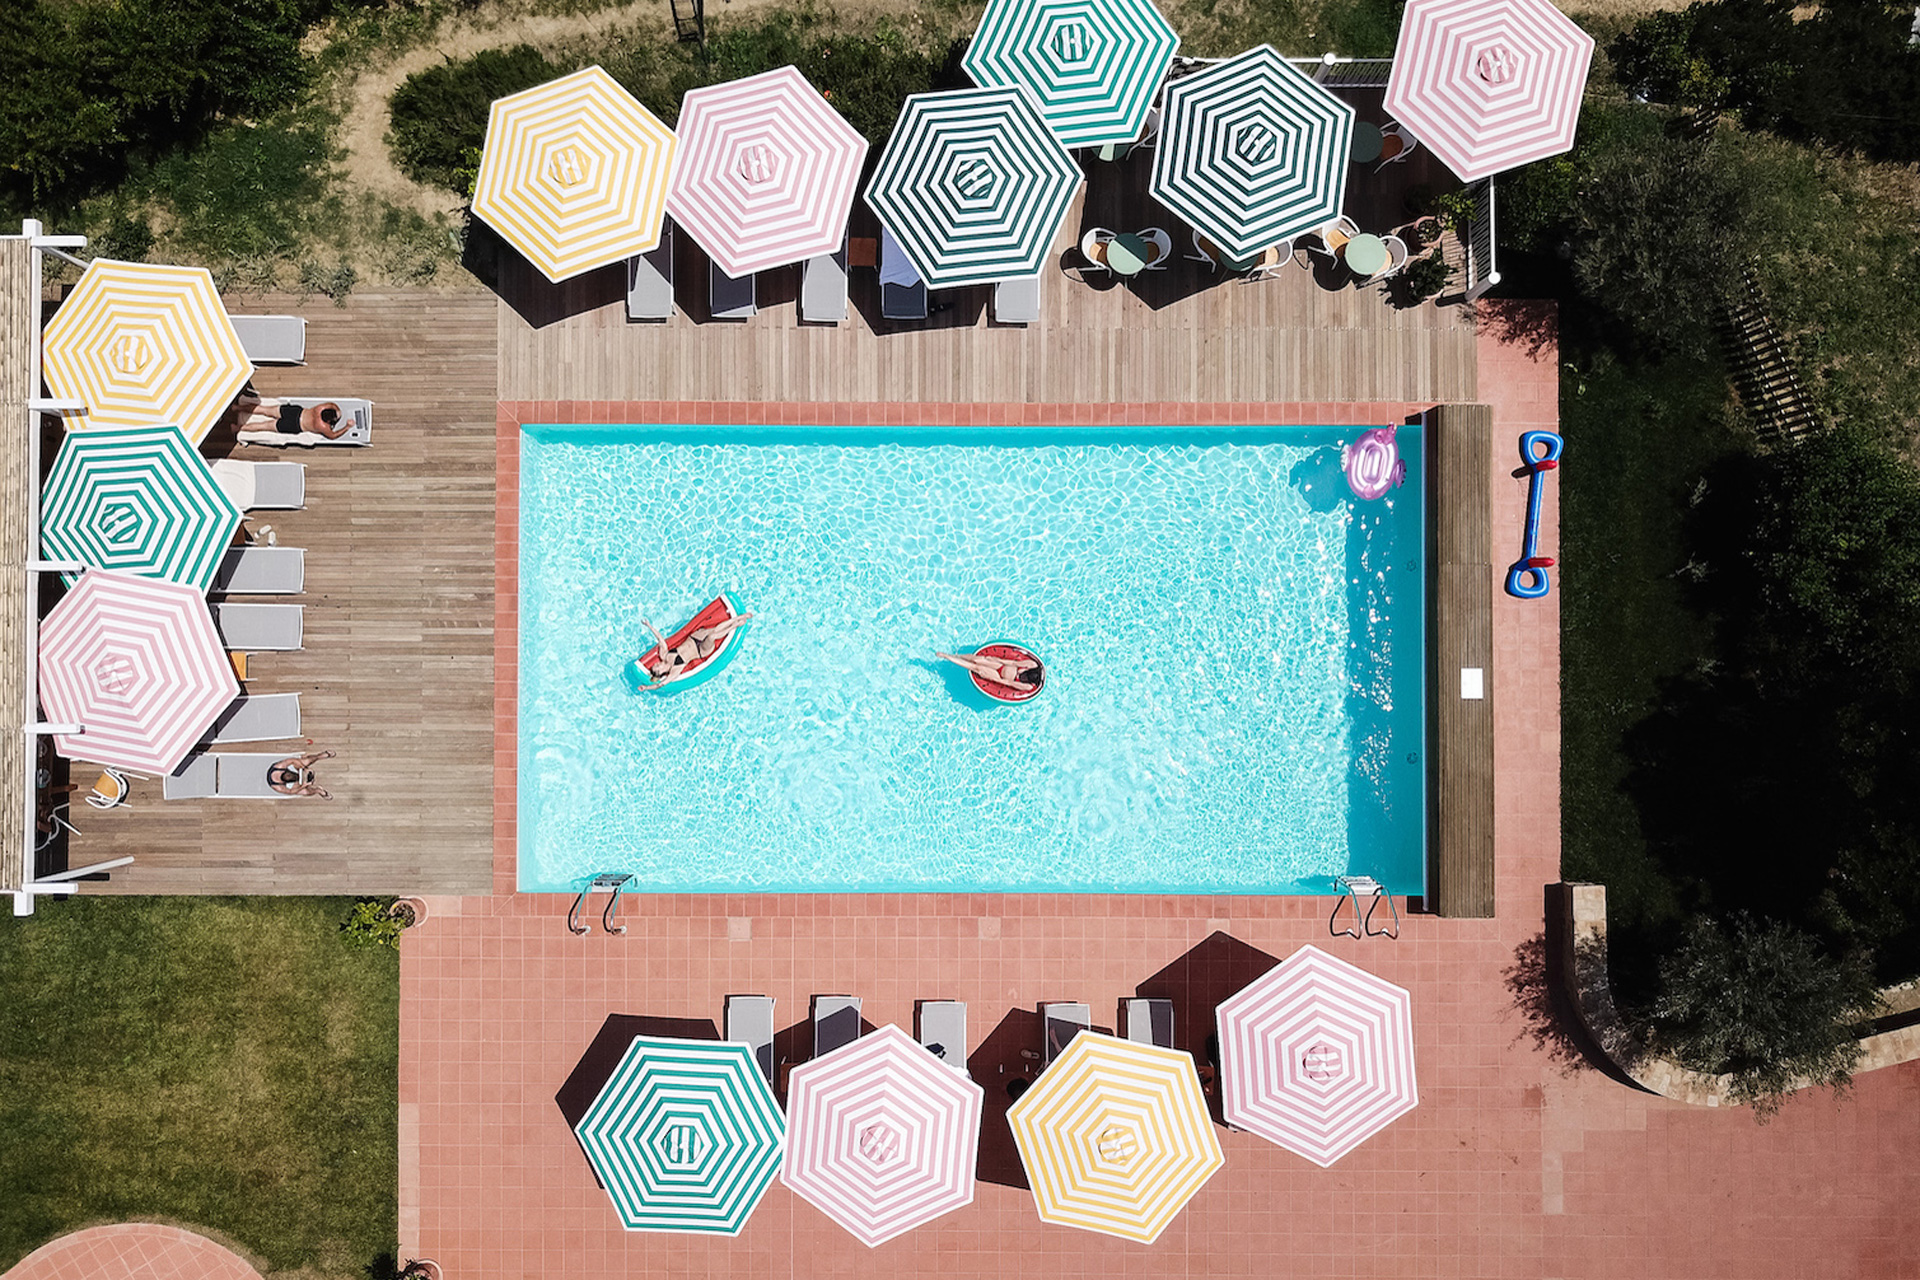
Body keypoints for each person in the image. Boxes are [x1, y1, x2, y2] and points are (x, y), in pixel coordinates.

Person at [634, 611, 755, 690]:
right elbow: (661, 684)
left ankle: (737, 619)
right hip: (701, 650)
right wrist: (646, 687)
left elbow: (660, 639)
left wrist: (649, 626)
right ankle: (736, 624)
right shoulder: (674, 671)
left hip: (694, 637)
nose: (657, 664)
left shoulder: (664, 655)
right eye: (657, 667)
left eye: (656, 665)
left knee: (713, 630)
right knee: (712, 636)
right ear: (661, 673)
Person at [236, 393, 350, 439]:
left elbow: (332, 404)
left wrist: (337, 410)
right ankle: (237, 428)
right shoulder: (323, 426)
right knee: (264, 426)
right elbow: (333, 436)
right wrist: (347, 427)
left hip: (295, 412)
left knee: (264, 410)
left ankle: (238, 408)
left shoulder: (320, 408)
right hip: (295, 425)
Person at [937, 649, 1043, 690]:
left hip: (999, 676)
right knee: (977, 659)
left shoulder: (1028, 686)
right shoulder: (1032, 665)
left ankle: (947, 657)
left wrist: (991, 678)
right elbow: (1013, 663)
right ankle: (957, 655)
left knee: (975, 667)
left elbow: (1008, 682)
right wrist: (996, 659)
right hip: (1000, 666)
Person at [267, 749, 334, 799]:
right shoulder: (278, 787)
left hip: (293, 767)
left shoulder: (279, 767)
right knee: (304, 792)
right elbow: (291, 792)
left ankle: (319, 756)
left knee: (307, 761)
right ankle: (318, 790)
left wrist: (304, 768)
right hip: (291, 785)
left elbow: (292, 760)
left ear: (286, 772)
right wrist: (304, 785)